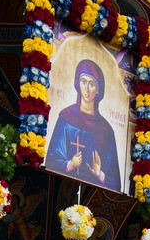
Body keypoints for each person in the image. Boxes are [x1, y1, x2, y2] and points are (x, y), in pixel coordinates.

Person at [50, 59, 122, 189]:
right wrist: (70, 164)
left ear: (99, 90)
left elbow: (115, 182)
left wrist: (99, 174)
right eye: (83, 82)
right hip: (57, 185)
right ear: (77, 84)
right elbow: (51, 160)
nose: (87, 89)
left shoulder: (106, 131)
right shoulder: (65, 118)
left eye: (92, 84)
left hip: (91, 192)